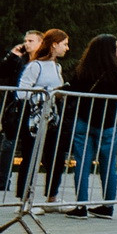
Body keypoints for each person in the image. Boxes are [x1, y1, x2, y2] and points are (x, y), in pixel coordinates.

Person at [66, 35, 117, 217]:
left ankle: (81, 206)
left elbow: (73, 93)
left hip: (84, 121)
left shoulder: (83, 70)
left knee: (82, 163)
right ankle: (108, 206)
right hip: (107, 123)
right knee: (109, 166)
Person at [21, 30, 70, 203]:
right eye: (64, 44)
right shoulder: (36, 66)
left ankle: (52, 196)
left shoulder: (57, 66)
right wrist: (46, 94)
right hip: (35, 119)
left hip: (52, 118)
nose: (67, 48)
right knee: (31, 157)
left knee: (55, 156)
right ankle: (25, 199)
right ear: (54, 44)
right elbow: (22, 93)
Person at [1, 30, 41, 198]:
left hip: (32, 110)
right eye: (25, 40)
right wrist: (12, 55)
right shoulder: (19, 60)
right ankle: (3, 181)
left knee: (29, 148)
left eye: (31, 40)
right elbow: (2, 72)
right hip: (15, 108)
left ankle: (23, 189)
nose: (27, 43)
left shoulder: (41, 62)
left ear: (40, 43)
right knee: (8, 144)